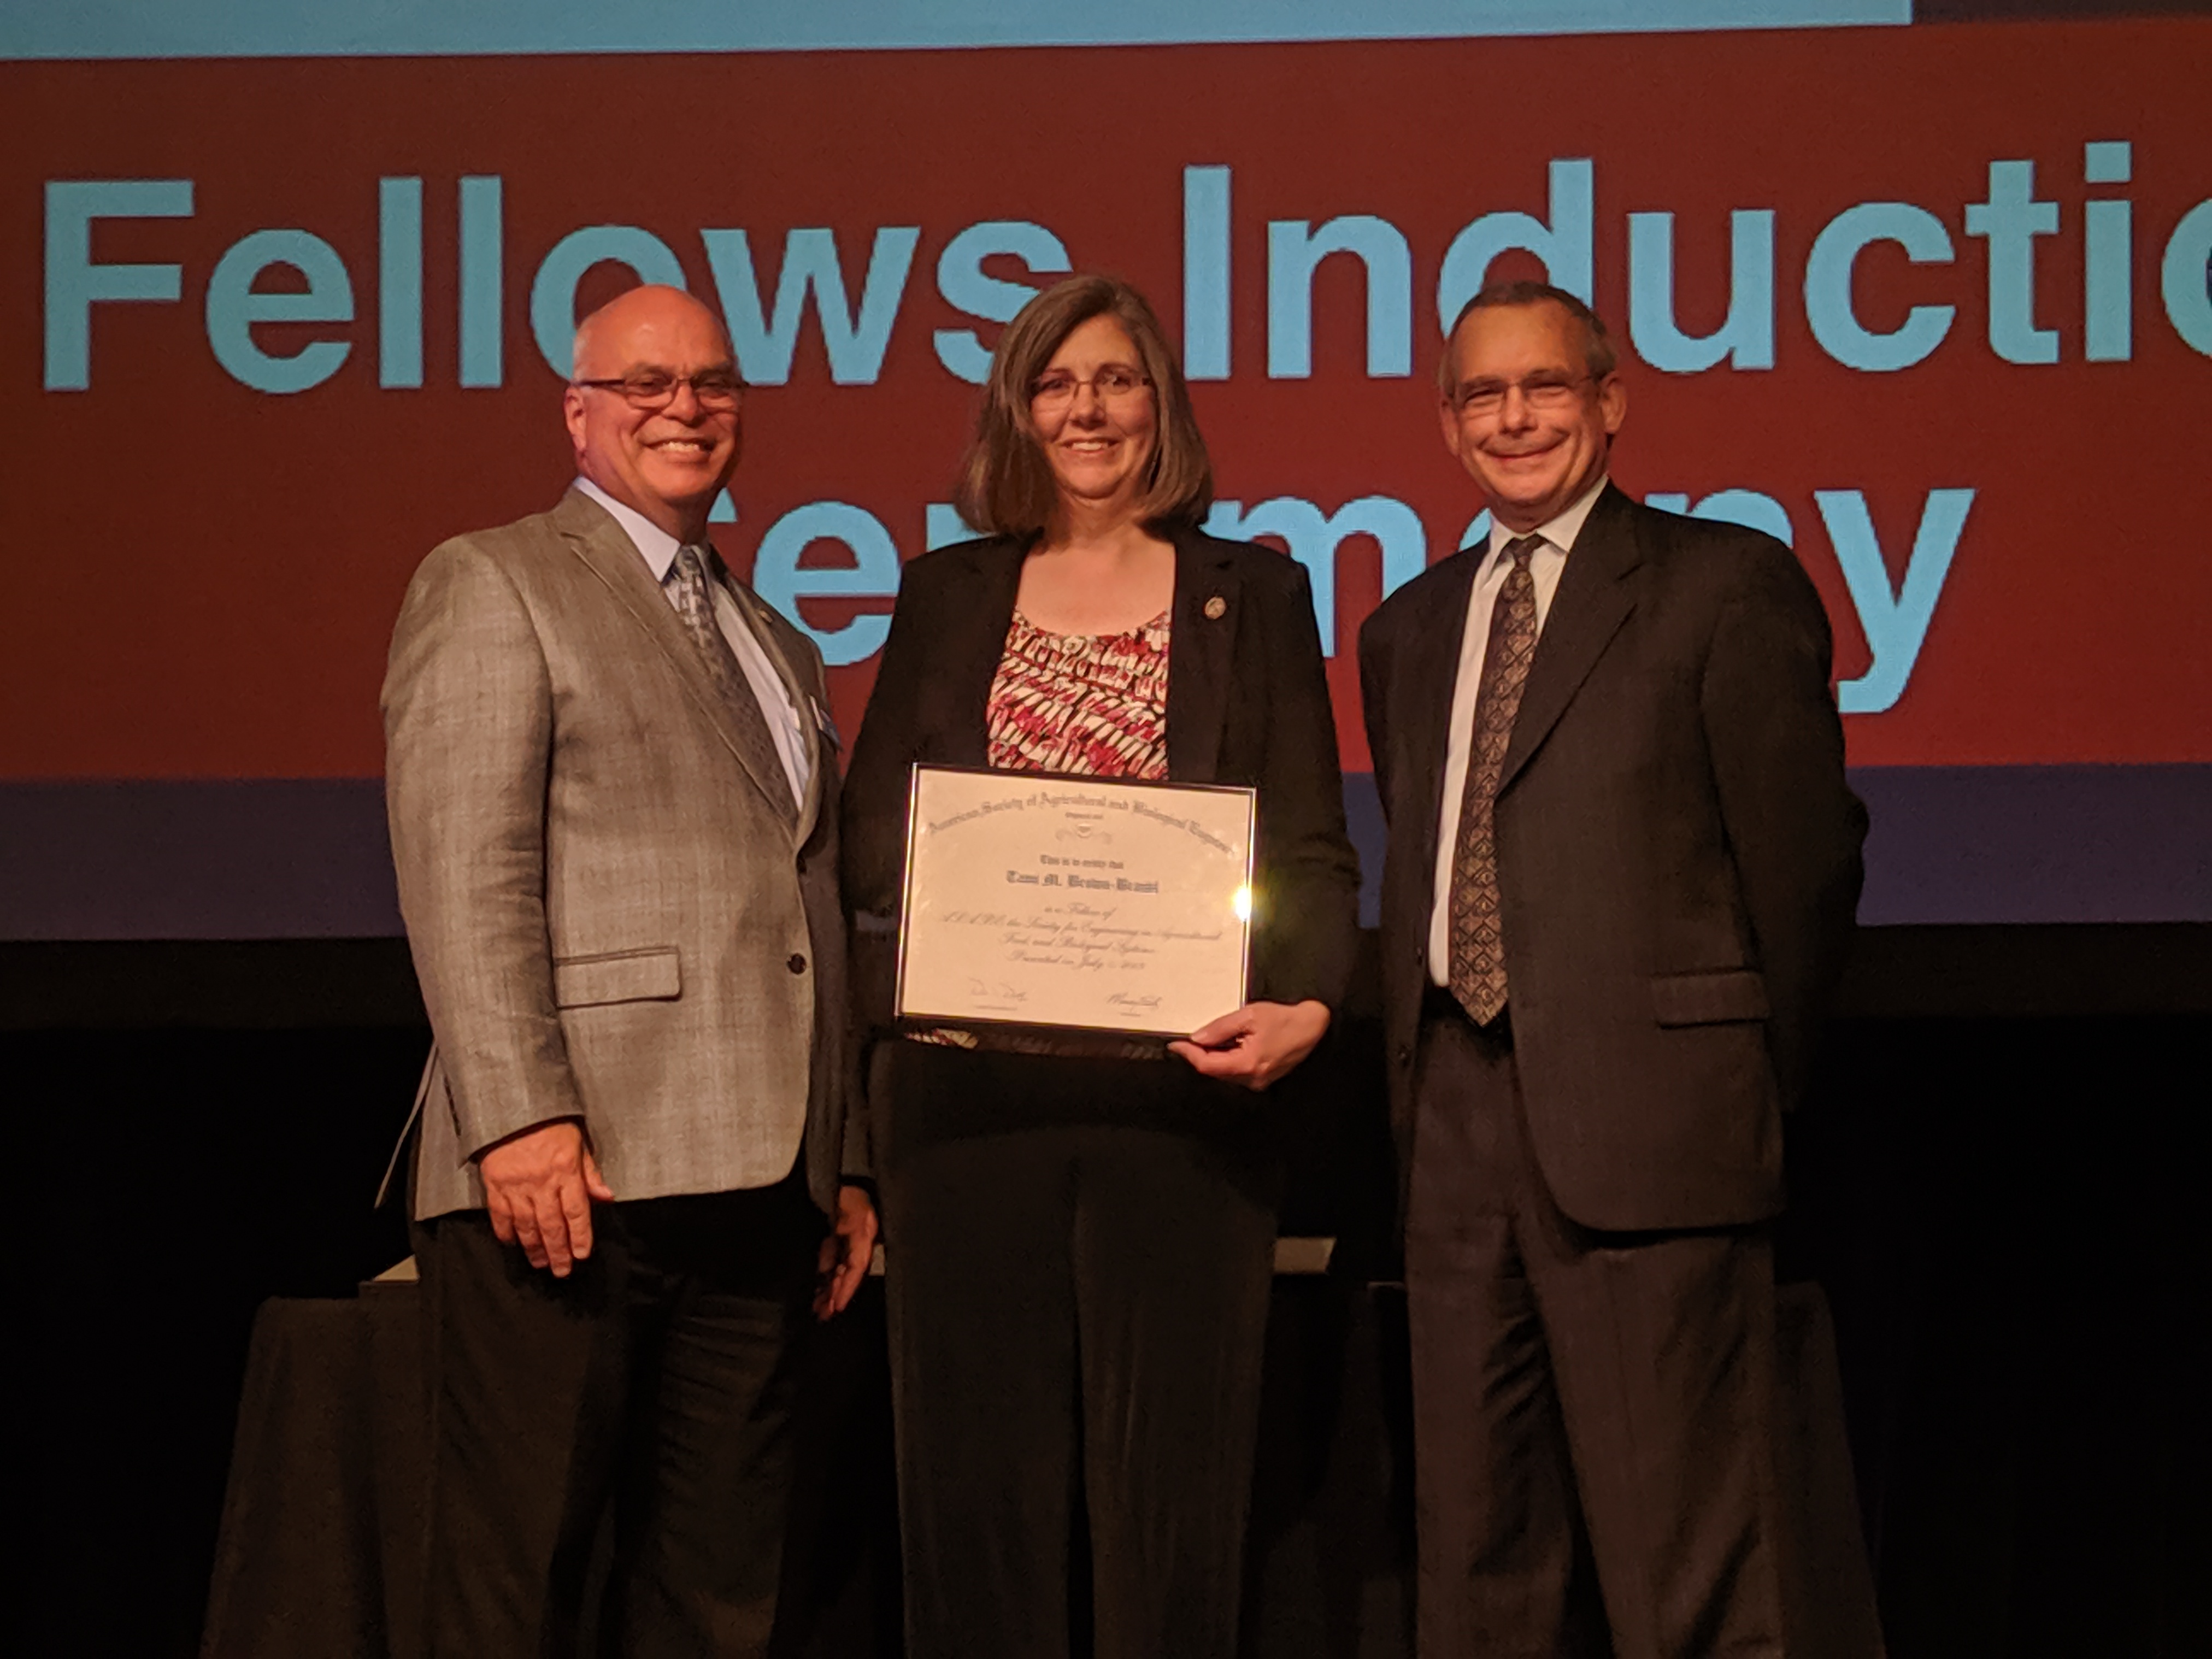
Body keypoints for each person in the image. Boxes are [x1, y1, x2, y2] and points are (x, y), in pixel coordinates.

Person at [841, 273, 1360, 1658]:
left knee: (1175, 1510)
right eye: (1057, 382)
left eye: (1116, 379)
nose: (1087, 409)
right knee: (974, 1511)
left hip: (1176, 1109)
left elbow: (1310, 844)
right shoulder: (946, 593)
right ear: (1019, 406)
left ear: (1161, 405)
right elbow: (872, 849)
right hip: (964, 1112)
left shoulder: (1250, 593)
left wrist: (1308, 1005)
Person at [1357, 280, 1867, 1658]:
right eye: (1481, 395)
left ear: (1609, 405)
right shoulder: (1405, 628)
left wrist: (1731, 1077)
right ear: (1447, 426)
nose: (1512, 418)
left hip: (1656, 1131)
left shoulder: (1722, 581)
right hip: (1452, 1136)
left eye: (1544, 388)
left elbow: (1802, 870)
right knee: (1472, 1571)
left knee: (1689, 1573)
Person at [380, 284, 878, 1658]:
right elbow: (462, 872)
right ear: (579, 412)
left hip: (758, 1190)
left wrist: (841, 1155)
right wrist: (518, 1114)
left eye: (712, 384)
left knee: (721, 1595)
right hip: (573, 1174)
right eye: (648, 383)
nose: (685, 408)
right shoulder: (493, 579)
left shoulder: (774, 638)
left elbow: (807, 904)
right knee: (516, 1584)